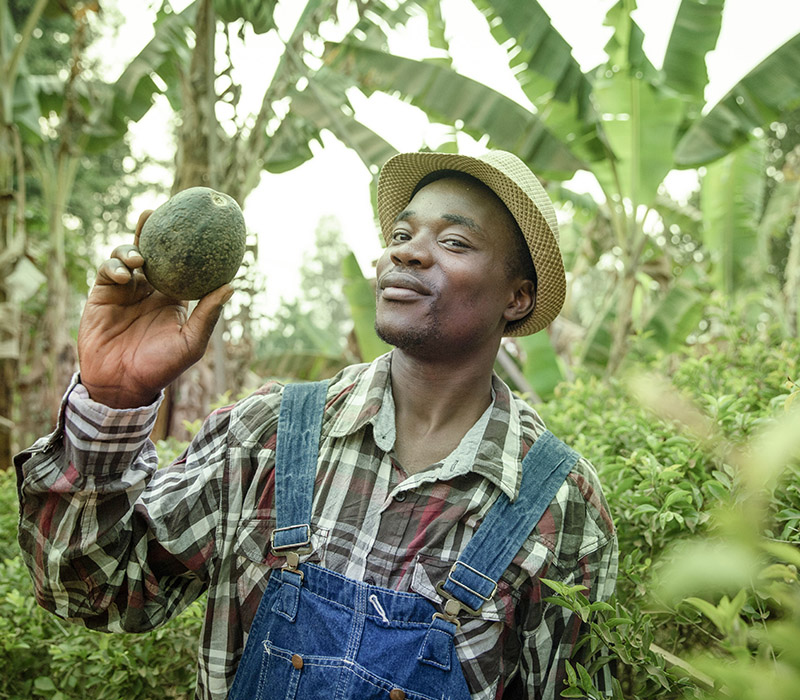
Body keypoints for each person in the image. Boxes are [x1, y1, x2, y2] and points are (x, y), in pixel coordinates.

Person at [15, 150, 617, 700]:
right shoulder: (268, 433)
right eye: (401, 234)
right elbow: (88, 588)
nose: (405, 251)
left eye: (455, 242)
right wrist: (113, 395)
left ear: (517, 298)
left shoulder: (560, 504)